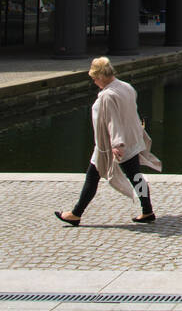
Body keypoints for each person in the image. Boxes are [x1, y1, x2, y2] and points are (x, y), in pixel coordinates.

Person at [56, 57, 162, 226]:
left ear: (100, 76)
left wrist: (116, 144)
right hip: (131, 140)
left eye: (94, 78)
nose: (94, 82)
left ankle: (76, 213)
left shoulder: (108, 95)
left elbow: (113, 121)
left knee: (93, 177)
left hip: (110, 145)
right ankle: (147, 210)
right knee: (135, 176)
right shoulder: (126, 87)